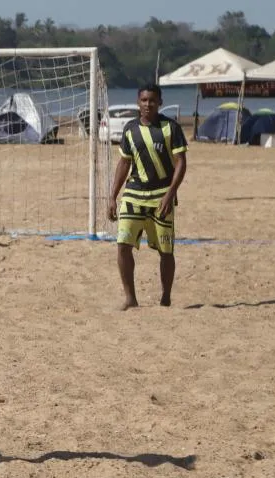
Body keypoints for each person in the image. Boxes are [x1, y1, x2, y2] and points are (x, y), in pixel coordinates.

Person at [108, 83, 188, 311]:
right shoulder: (130, 129)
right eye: (143, 100)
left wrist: (170, 194)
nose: (147, 104)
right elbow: (124, 162)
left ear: (160, 103)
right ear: (138, 102)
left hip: (161, 197)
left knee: (166, 251)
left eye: (152, 100)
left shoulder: (170, 128)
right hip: (133, 195)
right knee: (123, 245)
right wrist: (112, 196)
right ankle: (130, 298)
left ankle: (166, 297)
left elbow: (181, 162)